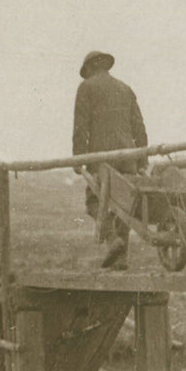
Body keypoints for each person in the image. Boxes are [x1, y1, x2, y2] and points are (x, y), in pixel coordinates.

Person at [72, 50, 147, 269]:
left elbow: (81, 127)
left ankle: (113, 240)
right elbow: (140, 128)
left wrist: (79, 158)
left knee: (94, 201)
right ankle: (121, 260)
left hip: (101, 156)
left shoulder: (86, 88)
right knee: (125, 204)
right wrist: (142, 162)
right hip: (128, 157)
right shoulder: (125, 89)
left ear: (90, 68)